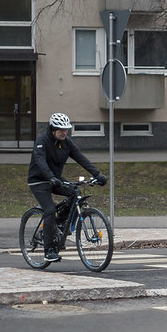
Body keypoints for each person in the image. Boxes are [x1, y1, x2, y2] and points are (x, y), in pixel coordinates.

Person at [27, 112, 107, 262]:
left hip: (55, 179)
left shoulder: (67, 143)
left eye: (66, 129)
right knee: (49, 210)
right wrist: (50, 177)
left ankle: (60, 223)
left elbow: (80, 157)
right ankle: (49, 250)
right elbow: (40, 161)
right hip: (39, 181)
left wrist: (97, 174)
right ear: (52, 129)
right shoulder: (42, 141)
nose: (64, 132)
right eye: (61, 130)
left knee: (75, 193)